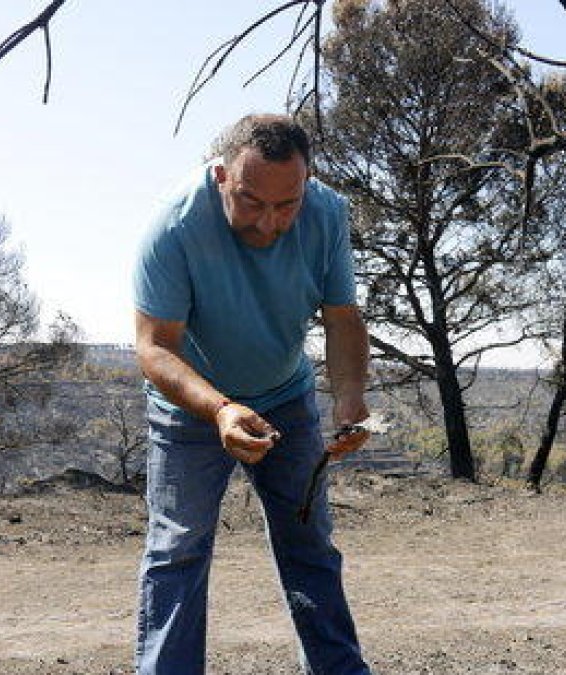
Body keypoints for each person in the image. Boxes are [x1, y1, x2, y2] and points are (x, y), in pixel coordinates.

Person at [132, 113, 373, 675]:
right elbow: (153, 348)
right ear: (221, 176)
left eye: (286, 204)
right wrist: (220, 408)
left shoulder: (327, 213)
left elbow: (342, 318)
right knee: (178, 550)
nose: (268, 223)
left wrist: (350, 398)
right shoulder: (173, 226)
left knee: (309, 544)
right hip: (190, 410)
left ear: (307, 183)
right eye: (250, 202)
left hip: (286, 398)